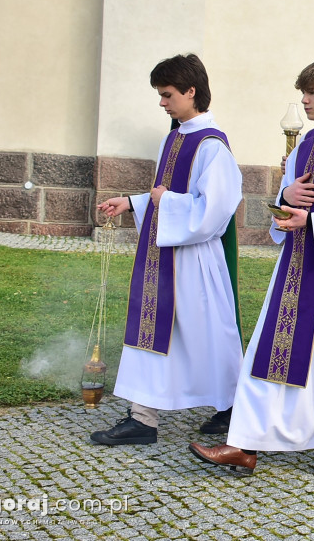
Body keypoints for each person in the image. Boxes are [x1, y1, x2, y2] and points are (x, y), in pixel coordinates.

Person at [189, 57, 314, 474]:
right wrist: (286, 196)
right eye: (303, 93)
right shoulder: (303, 146)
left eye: (311, 93)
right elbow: (287, 200)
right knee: (272, 349)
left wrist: (313, 222)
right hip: (297, 266)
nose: (304, 101)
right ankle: (245, 442)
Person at [91, 54, 243, 445]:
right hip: (161, 257)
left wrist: (166, 201)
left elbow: (217, 210)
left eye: (168, 95)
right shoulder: (173, 138)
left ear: (191, 92)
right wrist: (133, 202)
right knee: (152, 331)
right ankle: (143, 418)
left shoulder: (212, 146)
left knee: (207, 336)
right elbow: (167, 194)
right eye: (160, 95)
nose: (162, 103)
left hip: (194, 261)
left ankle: (232, 406)